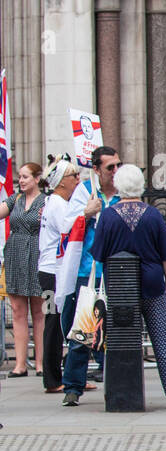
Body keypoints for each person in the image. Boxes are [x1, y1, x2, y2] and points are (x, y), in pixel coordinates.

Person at [88, 164, 166, 408]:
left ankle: (119, 394)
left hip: (120, 288)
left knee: (120, 340)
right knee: (162, 340)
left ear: (118, 186)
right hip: (151, 283)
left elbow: (98, 255)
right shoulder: (154, 214)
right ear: (141, 185)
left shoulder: (108, 215)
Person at [61, 145, 119, 397]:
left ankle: (117, 381)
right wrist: (87, 213)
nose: (116, 170)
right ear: (96, 169)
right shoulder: (84, 192)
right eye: (110, 167)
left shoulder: (124, 192)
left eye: (118, 165)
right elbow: (66, 227)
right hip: (90, 270)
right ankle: (73, 386)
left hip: (117, 272)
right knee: (84, 329)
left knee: (117, 330)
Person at [38, 158, 81, 393]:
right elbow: (67, 228)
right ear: (61, 182)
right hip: (52, 272)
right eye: (73, 175)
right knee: (53, 324)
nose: (77, 179)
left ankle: (66, 374)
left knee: (58, 323)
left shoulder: (56, 202)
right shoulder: (57, 203)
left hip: (51, 271)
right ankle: (53, 379)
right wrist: (85, 212)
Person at [1, 162, 48, 376]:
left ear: (37, 179)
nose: (21, 181)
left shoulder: (46, 201)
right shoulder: (16, 199)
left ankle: (40, 363)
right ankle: (20, 364)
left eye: (25, 177)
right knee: (19, 311)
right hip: (15, 255)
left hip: (37, 255)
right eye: (19, 176)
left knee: (39, 311)